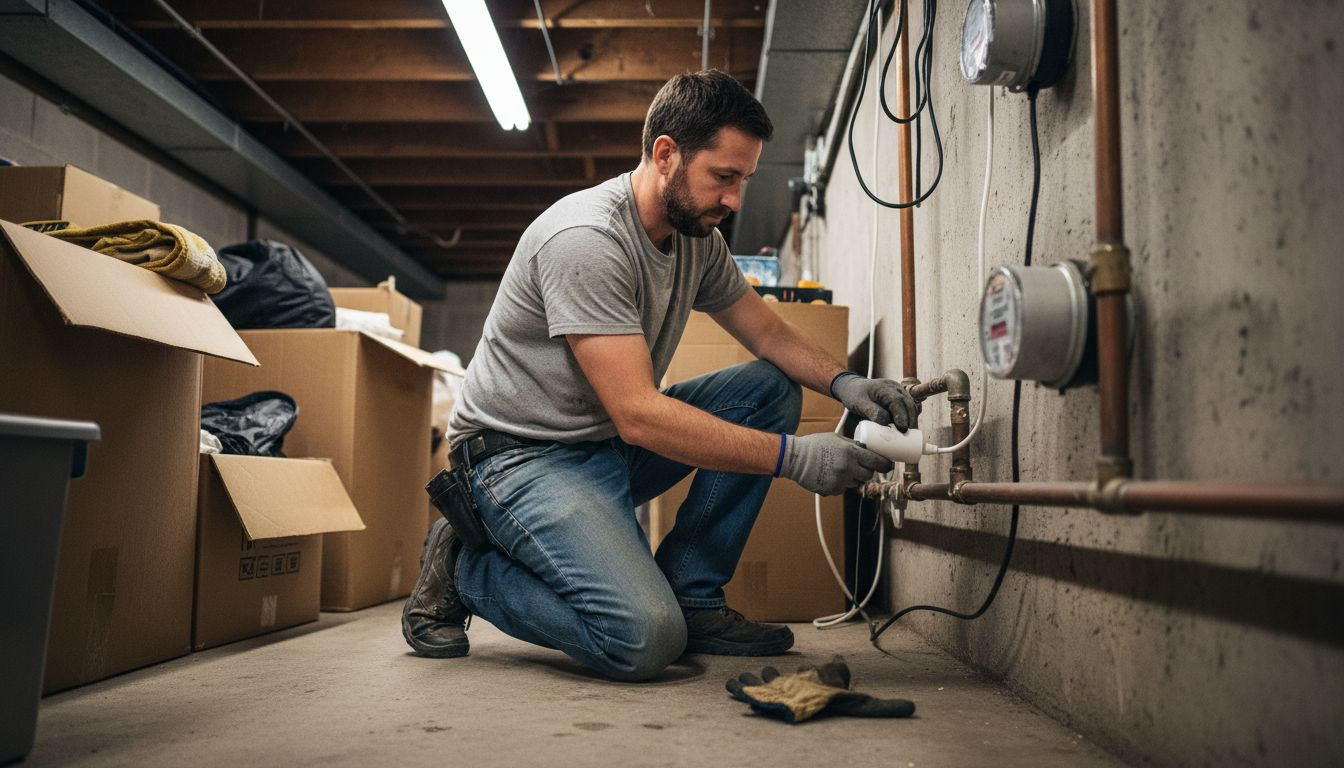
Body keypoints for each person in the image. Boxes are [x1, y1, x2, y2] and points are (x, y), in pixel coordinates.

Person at [402, 70, 918, 682]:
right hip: (519, 460)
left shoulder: (695, 236)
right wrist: (794, 458)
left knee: (767, 389)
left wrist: (845, 383)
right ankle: (467, 567)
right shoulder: (586, 239)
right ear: (666, 154)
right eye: (723, 177)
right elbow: (639, 414)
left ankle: (694, 594)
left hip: (600, 443)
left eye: (743, 179)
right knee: (643, 638)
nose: (734, 201)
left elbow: (769, 333)